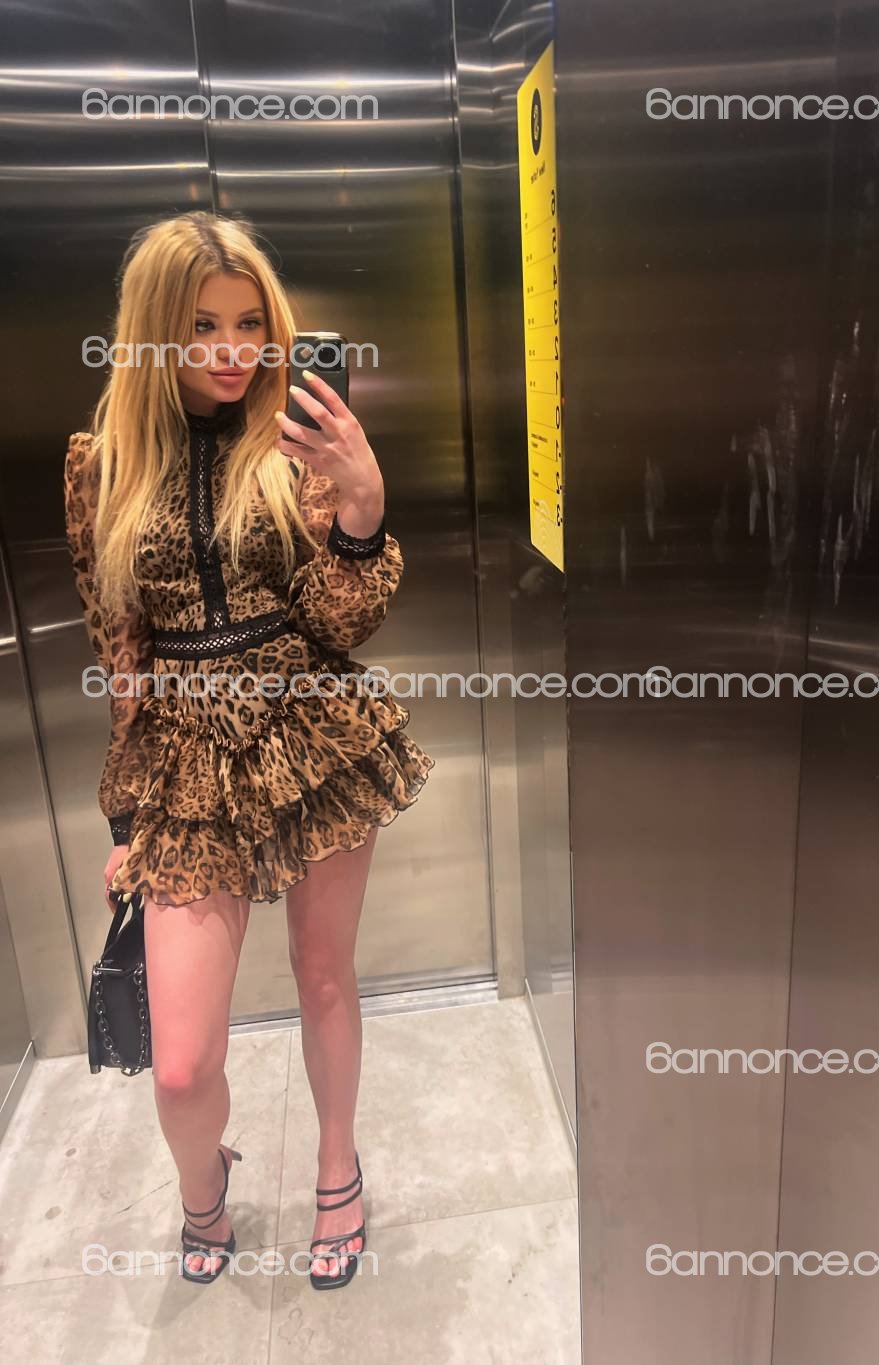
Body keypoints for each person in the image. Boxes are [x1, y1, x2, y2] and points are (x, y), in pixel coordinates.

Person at [63, 210, 434, 1288]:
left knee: (324, 978)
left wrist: (361, 508)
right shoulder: (100, 465)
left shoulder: (293, 437)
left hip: (308, 726)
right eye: (201, 326)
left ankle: (337, 1170)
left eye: (249, 323)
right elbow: (120, 652)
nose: (233, 350)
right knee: (182, 1066)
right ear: (152, 331)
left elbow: (339, 622)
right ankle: (204, 1186)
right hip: (183, 758)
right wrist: (126, 820)